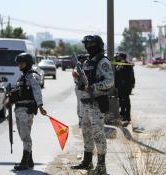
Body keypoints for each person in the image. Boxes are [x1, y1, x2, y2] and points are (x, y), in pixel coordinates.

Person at [71, 35, 114, 175]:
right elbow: (82, 84)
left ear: (98, 45)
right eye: (87, 44)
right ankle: (87, 161)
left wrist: (94, 87)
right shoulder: (87, 62)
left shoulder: (103, 62)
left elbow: (110, 81)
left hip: (96, 104)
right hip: (84, 104)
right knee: (86, 133)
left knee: (98, 134)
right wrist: (77, 79)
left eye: (91, 44)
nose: (88, 47)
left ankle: (101, 166)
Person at [5, 53, 47, 171]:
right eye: (18, 63)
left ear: (27, 63)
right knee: (23, 135)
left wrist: (40, 106)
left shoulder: (32, 76)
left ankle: (24, 162)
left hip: (26, 109)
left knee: (25, 135)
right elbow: (19, 91)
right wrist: (10, 98)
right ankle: (30, 160)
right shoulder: (23, 76)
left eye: (21, 63)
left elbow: (37, 90)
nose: (19, 65)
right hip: (19, 108)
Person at [114, 53, 135, 123]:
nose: (118, 58)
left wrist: (132, 83)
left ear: (122, 57)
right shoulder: (120, 64)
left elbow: (129, 75)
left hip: (126, 86)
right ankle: (123, 113)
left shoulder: (127, 64)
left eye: (119, 56)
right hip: (121, 86)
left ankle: (127, 116)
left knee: (126, 100)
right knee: (121, 100)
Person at [73, 54, 88, 128]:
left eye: (84, 59)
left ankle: (86, 120)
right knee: (80, 105)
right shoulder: (77, 67)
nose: (83, 60)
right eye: (81, 59)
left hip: (87, 88)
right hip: (79, 89)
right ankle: (80, 120)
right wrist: (80, 76)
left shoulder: (87, 66)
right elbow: (74, 73)